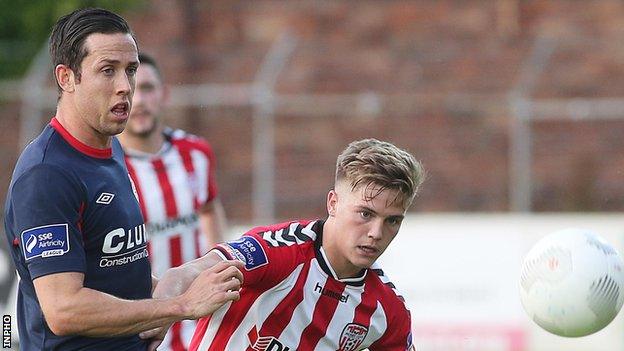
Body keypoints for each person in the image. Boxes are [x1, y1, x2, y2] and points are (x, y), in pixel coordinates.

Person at [3, 8, 243, 351]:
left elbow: (110, 269)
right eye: (107, 71)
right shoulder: (46, 175)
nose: (125, 87)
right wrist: (178, 308)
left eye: (130, 70)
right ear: (66, 78)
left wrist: (169, 288)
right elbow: (63, 310)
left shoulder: (111, 148)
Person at [149, 138, 423, 350]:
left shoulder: (387, 309)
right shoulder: (278, 250)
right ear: (333, 204)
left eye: (392, 221)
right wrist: (160, 315)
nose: (376, 232)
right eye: (366, 214)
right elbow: (186, 273)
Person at [118, 52, 227, 351]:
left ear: (164, 94)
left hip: (199, 322)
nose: (139, 101)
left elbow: (209, 207)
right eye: (131, 90)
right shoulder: (108, 169)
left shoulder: (195, 152)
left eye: (148, 89)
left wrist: (219, 264)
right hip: (143, 324)